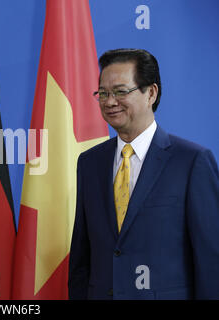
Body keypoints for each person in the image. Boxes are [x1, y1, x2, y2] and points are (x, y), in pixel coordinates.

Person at [68, 48, 219, 299]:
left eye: (120, 91)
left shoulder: (192, 162)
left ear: (151, 93)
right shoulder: (89, 163)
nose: (109, 101)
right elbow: (82, 258)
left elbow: (212, 262)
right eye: (103, 93)